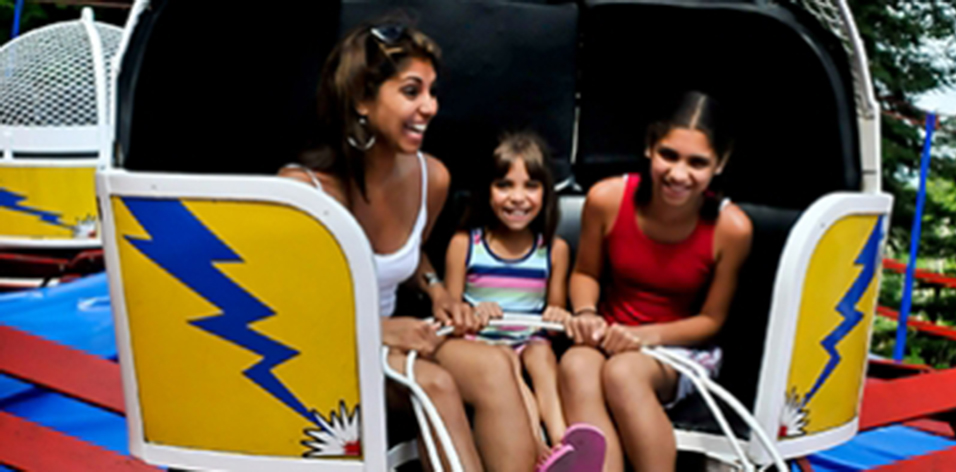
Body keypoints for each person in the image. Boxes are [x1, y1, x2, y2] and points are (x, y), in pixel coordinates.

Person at [280, 21, 535, 472]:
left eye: (432, 93)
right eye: (412, 91)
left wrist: (438, 291)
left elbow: (411, 254)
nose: (430, 107)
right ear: (361, 97)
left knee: (495, 365)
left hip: (394, 344)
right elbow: (283, 313)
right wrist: (377, 329)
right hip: (320, 356)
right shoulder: (305, 193)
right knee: (433, 382)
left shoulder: (430, 177)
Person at [558, 92, 753, 472]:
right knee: (576, 365)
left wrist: (646, 336)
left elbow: (711, 321)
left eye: (697, 163)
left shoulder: (732, 229)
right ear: (650, 147)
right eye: (669, 155)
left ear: (720, 164)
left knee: (623, 373)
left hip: (676, 349)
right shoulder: (607, 199)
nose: (679, 174)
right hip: (609, 335)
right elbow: (585, 273)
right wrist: (585, 312)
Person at [443, 132, 579, 462]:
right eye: (504, 185)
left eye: (530, 186)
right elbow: (449, 310)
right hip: (482, 345)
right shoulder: (466, 244)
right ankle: (535, 445)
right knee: (506, 366)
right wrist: (473, 311)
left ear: (545, 192)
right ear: (487, 191)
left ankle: (565, 440)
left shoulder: (553, 251)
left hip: (528, 341)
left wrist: (558, 315)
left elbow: (554, 310)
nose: (518, 198)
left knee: (541, 358)